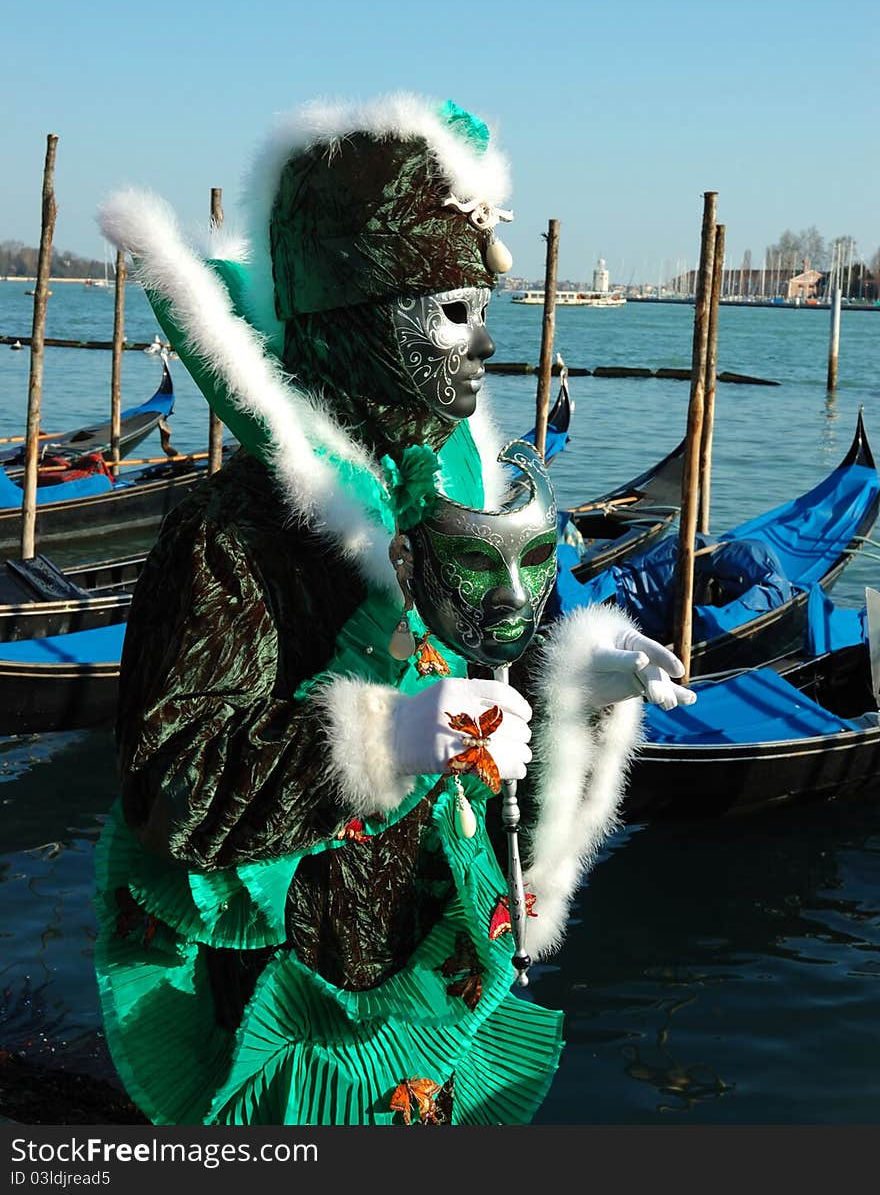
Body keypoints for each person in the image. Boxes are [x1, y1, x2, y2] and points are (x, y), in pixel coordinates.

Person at [95, 94, 694, 1126]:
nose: (483, 348)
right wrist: (389, 737)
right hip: (292, 1011)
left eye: (483, 312)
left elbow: (493, 714)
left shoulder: (450, 506)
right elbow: (173, 787)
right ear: (359, 320)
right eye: (452, 312)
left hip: (428, 995)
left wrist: (583, 685)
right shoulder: (233, 536)